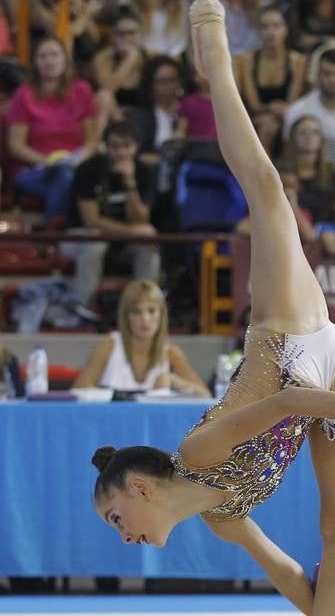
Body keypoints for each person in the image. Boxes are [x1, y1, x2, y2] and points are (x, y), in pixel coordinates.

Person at [92, 0, 335, 616]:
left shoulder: (201, 448)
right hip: (329, 376)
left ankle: (215, 61)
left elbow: (286, 401)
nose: (123, 535)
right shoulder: (221, 517)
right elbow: (288, 573)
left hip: (287, 339)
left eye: (116, 518)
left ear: (142, 489)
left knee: (269, 192)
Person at [61, 119, 160, 305]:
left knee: (149, 247)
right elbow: (91, 221)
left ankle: (146, 306)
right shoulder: (89, 169)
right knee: (95, 244)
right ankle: (82, 307)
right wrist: (134, 232)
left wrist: (130, 184)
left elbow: (140, 219)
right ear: (106, 146)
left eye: (126, 146)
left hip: (120, 240)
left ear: (136, 147)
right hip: (79, 236)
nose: (121, 152)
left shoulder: (144, 172)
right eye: (115, 146)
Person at [6, 36, 99, 223]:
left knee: (69, 178)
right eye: (43, 56)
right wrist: (49, 161)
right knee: (65, 179)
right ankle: (55, 237)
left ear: (65, 60)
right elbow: (15, 145)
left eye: (55, 55)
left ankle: (56, 239)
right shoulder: (24, 95)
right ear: (34, 62)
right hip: (33, 169)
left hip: (75, 165)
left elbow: (92, 141)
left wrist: (76, 160)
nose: (49, 60)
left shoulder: (82, 91)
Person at [74, 279, 209, 394]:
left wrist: (174, 382)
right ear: (126, 317)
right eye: (137, 312)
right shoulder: (109, 346)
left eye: (151, 311)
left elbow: (205, 396)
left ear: (161, 315)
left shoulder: (171, 353)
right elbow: (78, 392)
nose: (145, 319)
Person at [234, 6, 306, 116]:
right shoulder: (246, 61)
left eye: (276, 26)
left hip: (286, 116)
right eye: (264, 27)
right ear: (258, 31)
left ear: (286, 29)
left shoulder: (298, 61)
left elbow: (292, 104)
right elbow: (254, 106)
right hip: (257, 118)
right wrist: (270, 108)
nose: (271, 32)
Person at [284, 115, 335, 222]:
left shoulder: (332, 174)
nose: (309, 136)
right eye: (303, 132)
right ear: (293, 138)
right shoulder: (282, 171)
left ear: (321, 139)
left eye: (315, 132)